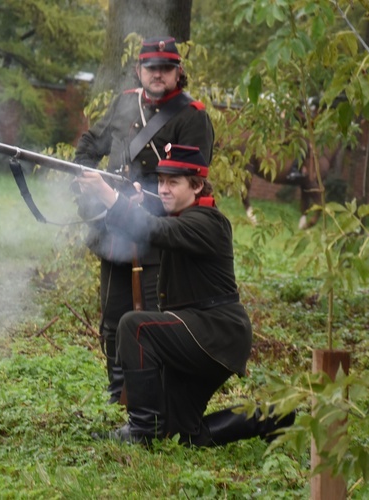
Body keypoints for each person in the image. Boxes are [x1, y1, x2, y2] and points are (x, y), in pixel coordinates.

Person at [76, 144, 295, 446]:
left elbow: (156, 231)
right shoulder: (183, 216)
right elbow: (153, 226)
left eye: (173, 182)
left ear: (197, 185)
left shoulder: (208, 222)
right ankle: (274, 416)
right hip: (202, 334)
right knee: (185, 435)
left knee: (134, 326)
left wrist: (108, 196)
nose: (163, 189)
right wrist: (132, 204)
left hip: (217, 333)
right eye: (161, 182)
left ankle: (141, 433)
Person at [73, 36, 214, 404]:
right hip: (114, 228)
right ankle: (118, 393)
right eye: (151, 68)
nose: (158, 74)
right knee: (112, 318)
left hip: (158, 236)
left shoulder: (192, 115)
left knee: (155, 318)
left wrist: (146, 197)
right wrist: (91, 181)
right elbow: (88, 145)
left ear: (178, 73)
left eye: (166, 68)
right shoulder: (125, 103)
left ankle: (154, 398)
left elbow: (192, 179)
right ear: (139, 70)